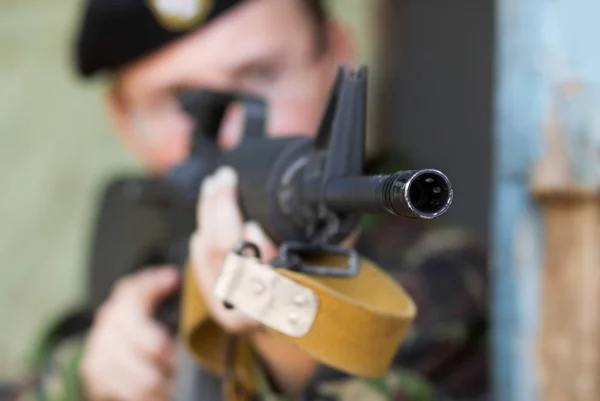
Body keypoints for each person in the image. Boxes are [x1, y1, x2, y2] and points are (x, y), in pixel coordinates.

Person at [12, 0, 490, 400]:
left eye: (261, 75)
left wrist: (282, 341)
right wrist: (86, 378)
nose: (235, 130)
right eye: (180, 100)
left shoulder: (439, 280)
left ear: (338, 58)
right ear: (125, 120)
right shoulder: (142, 263)